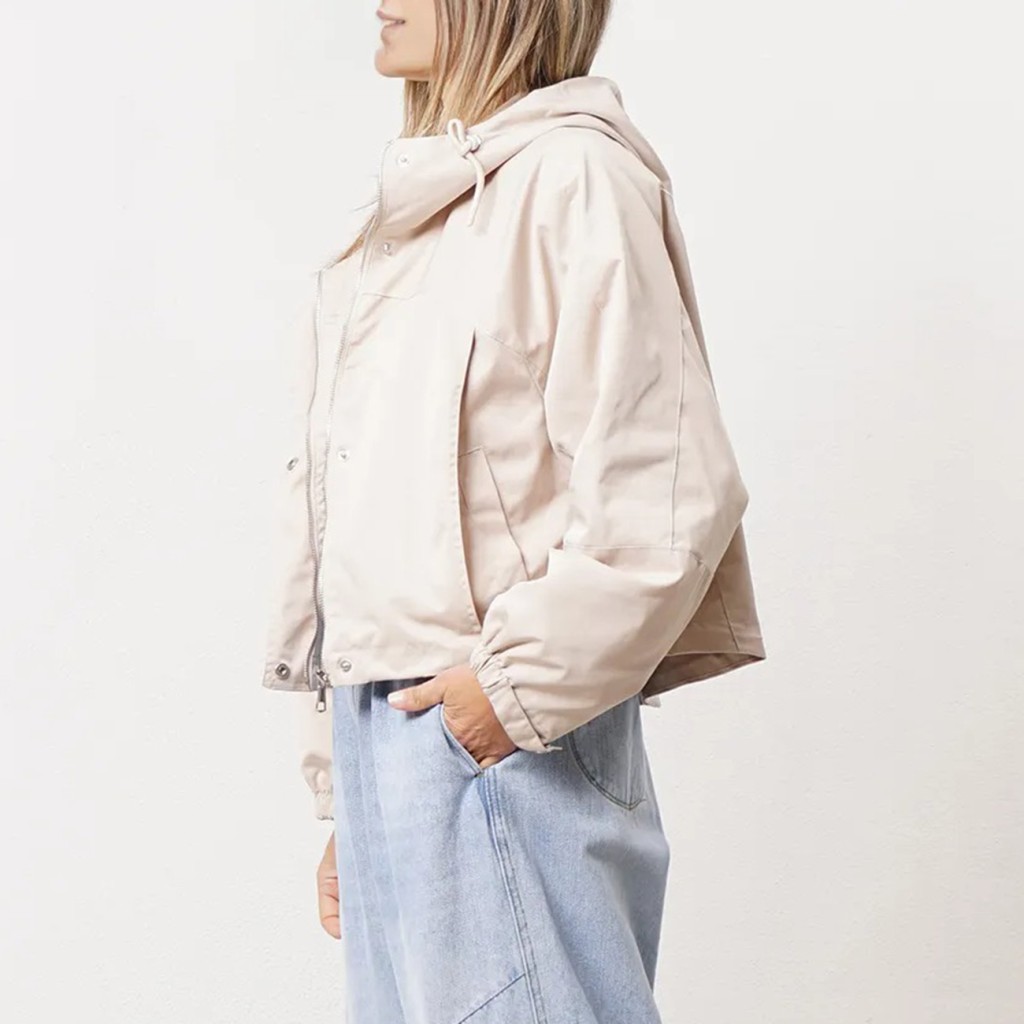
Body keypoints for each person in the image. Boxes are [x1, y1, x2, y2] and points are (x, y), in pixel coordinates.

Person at [260, 1, 766, 1020]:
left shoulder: (571, 179)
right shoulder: (423, 210)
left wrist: (496, 701)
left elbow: (665, 485)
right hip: (401, 733)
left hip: (505, 731)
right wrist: (353, 792)